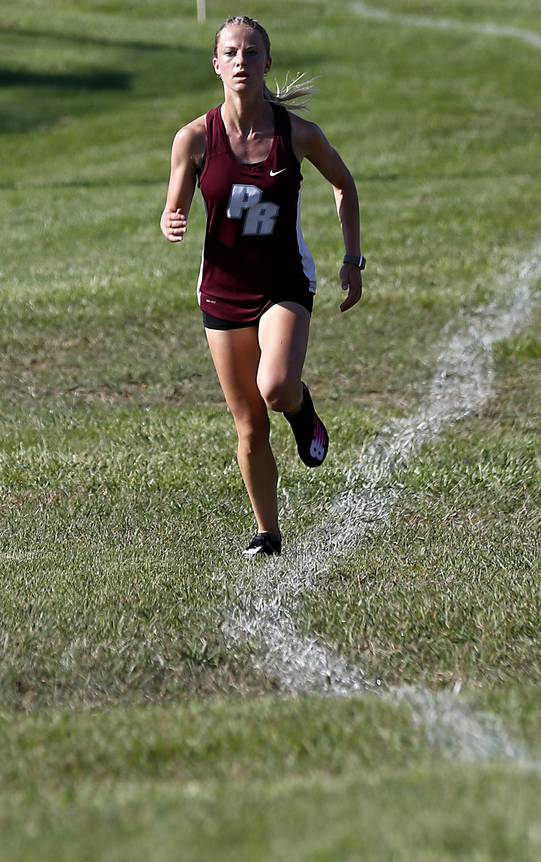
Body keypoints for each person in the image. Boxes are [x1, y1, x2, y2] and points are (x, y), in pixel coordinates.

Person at [161, 14, 364, 557]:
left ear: (267, 63)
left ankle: (300, 408)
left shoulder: (296, 134)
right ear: (216, 65)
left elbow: (344, 186)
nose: (241, 62)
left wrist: (352, 259)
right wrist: (171, 220)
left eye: (252, 53)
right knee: (248, 424)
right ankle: (268, 533)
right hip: (223, 290)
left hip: (283, 282)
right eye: (231, 53)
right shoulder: (195, 138)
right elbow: (173, 205)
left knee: (275, 388)